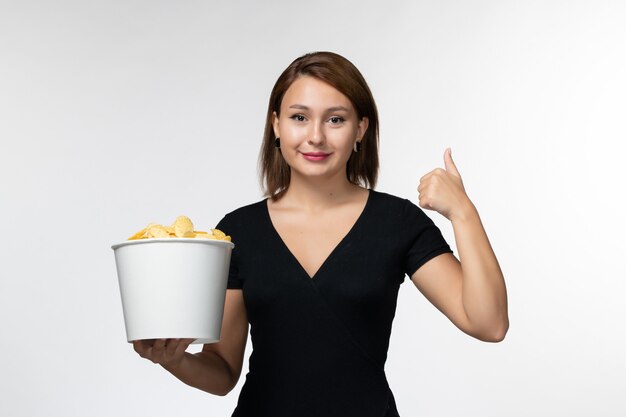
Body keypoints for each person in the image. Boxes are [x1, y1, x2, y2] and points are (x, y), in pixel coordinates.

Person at [133, 51, 509, 416]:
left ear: (360, 128)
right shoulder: (237, 232)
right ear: (276, 124)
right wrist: (173, 358)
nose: (315, 137)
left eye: (335, 120)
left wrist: (463, 212)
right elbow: (222, 372)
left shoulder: (397, 223)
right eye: (299, 117)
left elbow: (488, 323)